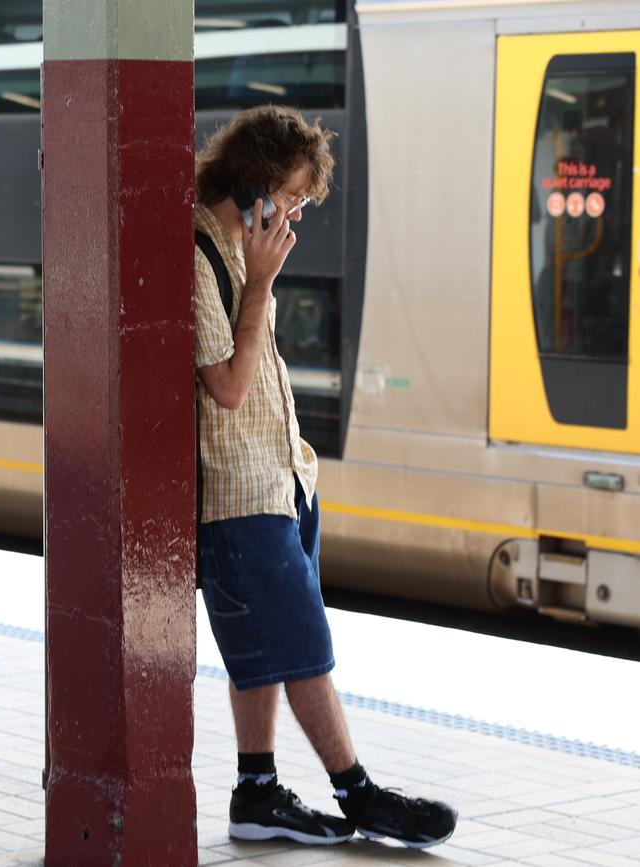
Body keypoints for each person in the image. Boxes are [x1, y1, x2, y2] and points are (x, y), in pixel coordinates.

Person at [194, 104, 458, 850]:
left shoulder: (243, 245)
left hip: (281, 480)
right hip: (237, 495)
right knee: (302, 646)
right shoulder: (201, 254)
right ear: (256, 182)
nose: (299, 214)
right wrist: (259, 281)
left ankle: (256, 789)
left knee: (268, 649)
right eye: (295, 197)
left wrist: (260, 270)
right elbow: (230, 386)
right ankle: (359, 792)